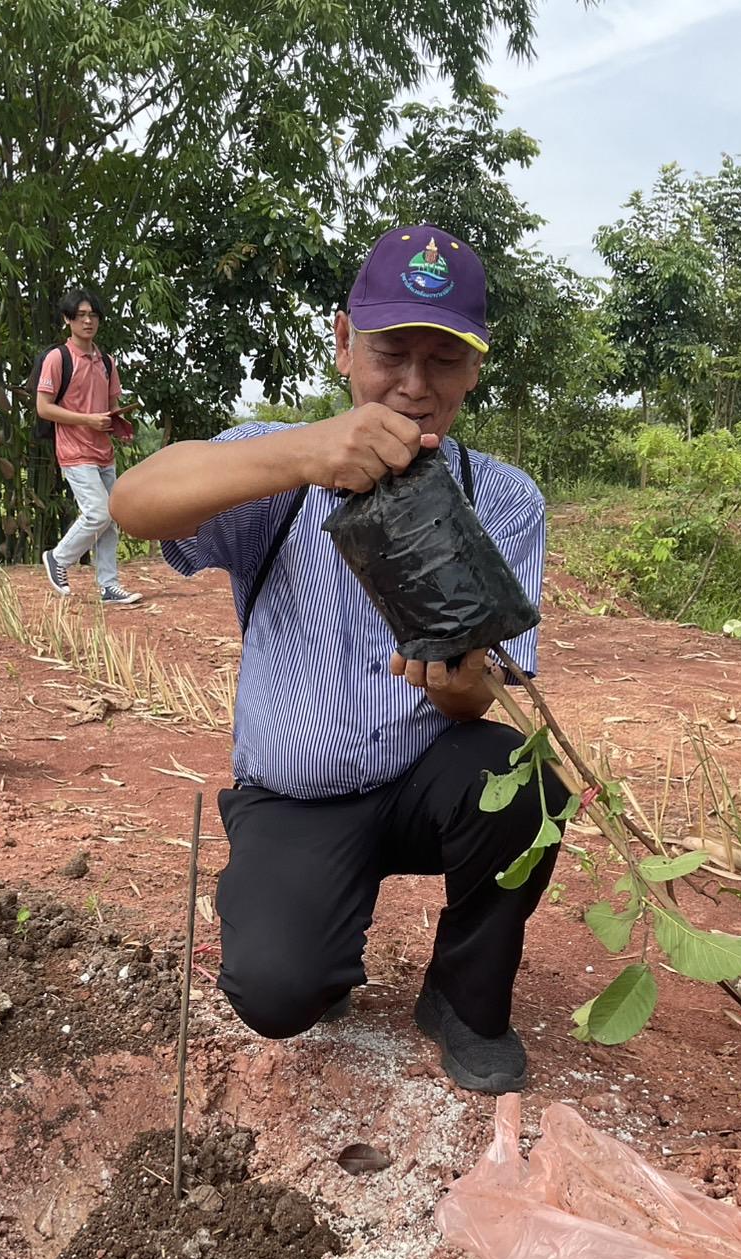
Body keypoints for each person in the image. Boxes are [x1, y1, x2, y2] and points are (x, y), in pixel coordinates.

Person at [110, 224, 566, 1095]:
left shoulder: (504, 499)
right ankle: (315, 941)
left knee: (523, 779)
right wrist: (305, 453)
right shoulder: (274, 469)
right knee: (279, 991)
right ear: (344, 343)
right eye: (392, 353)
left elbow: (484, 695)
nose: (415, 385)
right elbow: (134, 502)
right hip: (296, 793)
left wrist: (459, 683)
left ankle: (464, 998)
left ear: (475, 368)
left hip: (424, 777)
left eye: (445, 360)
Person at [37, 288, 142, 607]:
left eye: (93, 315)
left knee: (112, 516)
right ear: (67, 319)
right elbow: (44, 407)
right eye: (81, 315)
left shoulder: (107, 362)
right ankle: (58, 557)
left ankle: (109, 585)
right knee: (98, 512)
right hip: (74, 451)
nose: (87, 321)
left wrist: (119, 423)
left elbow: (110, 407)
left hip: (103, 451)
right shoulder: (58, 358)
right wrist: (87, 420)